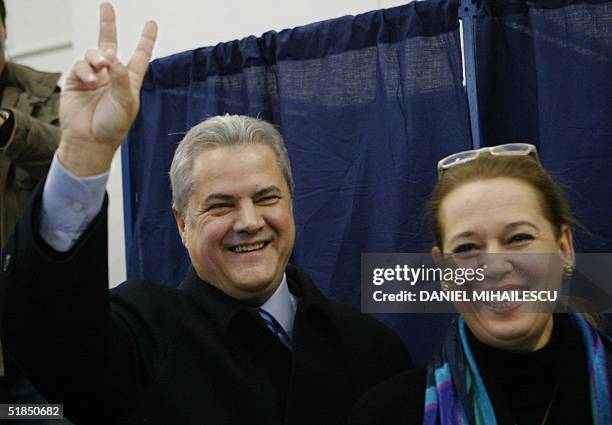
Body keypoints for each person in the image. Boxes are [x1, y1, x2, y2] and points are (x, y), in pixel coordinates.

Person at [0, 4, 411, 424]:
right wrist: (85, 153)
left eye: (266, 198)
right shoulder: (140, 337)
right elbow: (47, 340)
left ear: (291, 202)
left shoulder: (373, 348)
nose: (249, 221)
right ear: (182, 224)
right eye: (220, 205)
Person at [350, 143, 612, 425]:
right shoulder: (387, 413)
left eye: (518, 238)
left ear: (564, 248)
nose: (495, 267)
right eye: (466, 248)